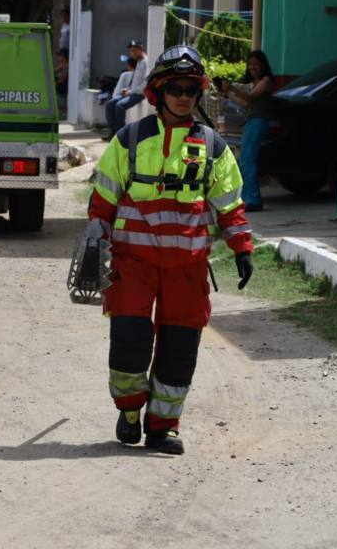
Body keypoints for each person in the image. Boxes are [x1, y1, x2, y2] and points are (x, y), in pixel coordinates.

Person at [85, 45, 254, 455]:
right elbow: (103, 198)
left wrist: (242, 248)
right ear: (157, 93)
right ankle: (129, 411)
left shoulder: (213, 147)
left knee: (179, 350)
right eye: (175, 87)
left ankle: (163, 427)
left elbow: (229, 204)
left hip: (187, 269)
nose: (183, 96)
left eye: (191, 89)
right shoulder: (129, 140)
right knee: (129, 342)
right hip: (133, 264)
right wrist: (94, 242)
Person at [220, 50, 275, 212]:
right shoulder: (255, 82)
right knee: (244, 161)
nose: (252, 67)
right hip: (251, 122)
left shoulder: (266, 81)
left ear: (263, 65)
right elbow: (245, 103)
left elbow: (249, 97)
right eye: (250, 64)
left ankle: (253, 200)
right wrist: (227, 93)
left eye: (256, 64)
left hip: (258, 122)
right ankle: (246, 198)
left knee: (248, 161)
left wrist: (232, 88)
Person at [103, 39, 148, 140]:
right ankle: (113, 132)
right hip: (131, 92)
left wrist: (130, 92)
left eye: (135, 50)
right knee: (110, 104)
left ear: (141, 49)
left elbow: (144, 84)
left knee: (120, 106)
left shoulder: (145, 62)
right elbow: (135, 81)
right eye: (131, 51)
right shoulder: (139, 61)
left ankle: (122, 134)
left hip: (139, 94)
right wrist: (127, 89)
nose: (132, 53)